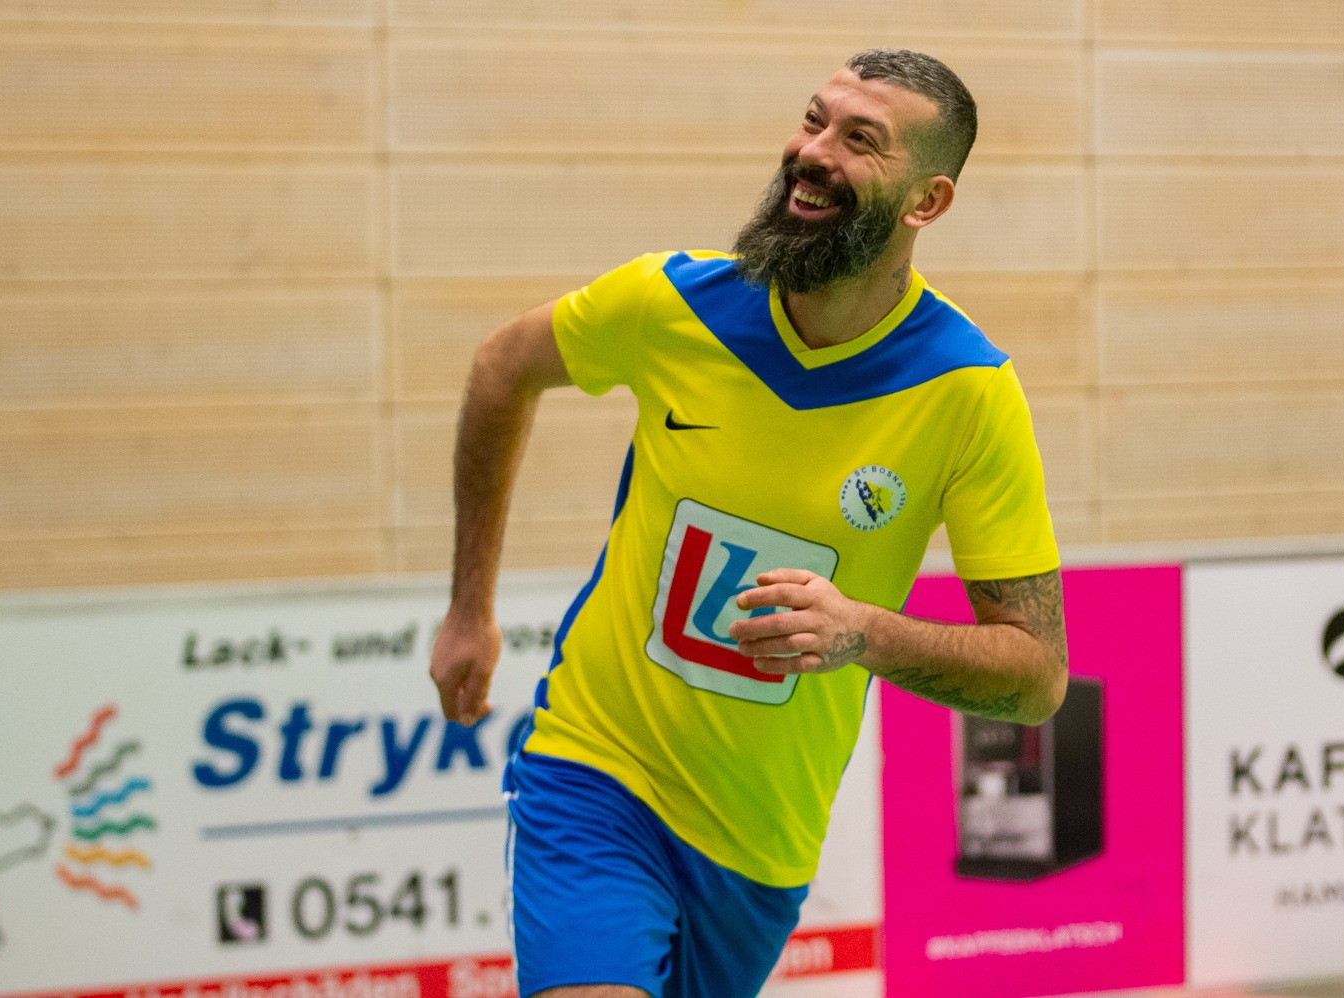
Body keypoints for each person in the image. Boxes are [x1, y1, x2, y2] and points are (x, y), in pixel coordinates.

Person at [430, 48, 1069, 998]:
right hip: (596, 771)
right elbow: (500, 368)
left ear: (927, 202)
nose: (813, 151)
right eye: (814, 120)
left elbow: (1038, 675)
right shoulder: (669, 302)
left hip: (759, 844)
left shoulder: (968, 393)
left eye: (860, 140)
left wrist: (863, 633)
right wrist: (468, 607)